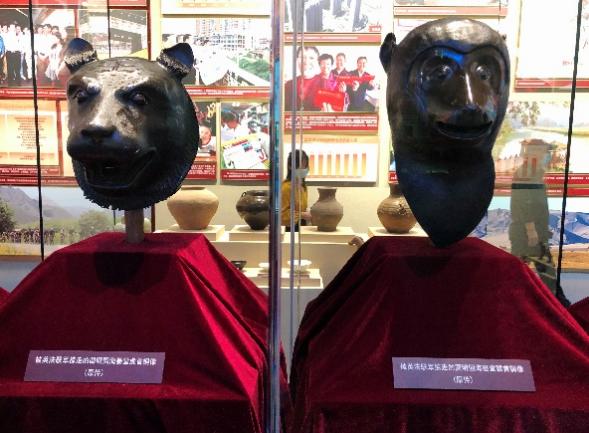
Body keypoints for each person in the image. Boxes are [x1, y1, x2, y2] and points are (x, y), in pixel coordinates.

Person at [281, 149, 311, 230]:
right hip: (289, 229)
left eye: (305, 166)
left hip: (301, 226)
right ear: (290, 166)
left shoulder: (303, 186)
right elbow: (281, 215)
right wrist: (302, 215)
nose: (304, 169)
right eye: (300, 166)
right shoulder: (286, 188)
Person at [284, 46, 321, 111]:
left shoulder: (325, 84)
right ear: (297, 60)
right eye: (302, 57)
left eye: (311, 58)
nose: (306, 62)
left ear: (317, 61)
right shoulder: (288, 85)